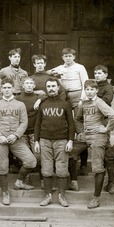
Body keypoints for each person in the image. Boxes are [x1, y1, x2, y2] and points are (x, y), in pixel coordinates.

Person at [0, 78, 37, 206]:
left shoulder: (20, 104)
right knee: (2, 166)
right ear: (1, 89)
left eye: (9, 87)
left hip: (16, 139)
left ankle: (19, 181)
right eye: (4, 88)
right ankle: (5, 193)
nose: (7, 90)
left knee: (31, 161)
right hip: (1, 139)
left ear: (13, 89)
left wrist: (16, 135)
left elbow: (24, 122)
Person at [75, 79, 114, 209]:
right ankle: (72, 183)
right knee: (70, 152)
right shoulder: (83, 103)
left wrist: (107, 129)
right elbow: (77, 119)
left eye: (91, 90)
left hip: (98, 137)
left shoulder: (99, 102)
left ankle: (96, 197)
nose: (89, 92)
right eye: (87, 89)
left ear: (96, 90)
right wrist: (80, 131)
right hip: (86, 136)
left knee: (97, 166)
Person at [34, 78, 75, 207]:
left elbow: (71, 124)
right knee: (46, 168)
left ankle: (61, 196)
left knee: (62, 168)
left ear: (58, 88)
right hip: (45, 140)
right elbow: (37, 124)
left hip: (62, 140)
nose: (51, 88)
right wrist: (36, 141)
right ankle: (48, 196)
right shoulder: (43, 103)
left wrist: (70, 141)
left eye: (53, 86)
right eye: (49, 86)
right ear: (46, 88)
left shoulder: (65, 104)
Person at [78, 64, 114, 177]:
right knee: (85, 144)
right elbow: (78, 118)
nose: (97, 75)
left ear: (106, 74)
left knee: (104, 150)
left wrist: (91, 99)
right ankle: (84, 166)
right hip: (91, 123)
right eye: (95, 73)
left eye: (99, 73)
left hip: (102, 121)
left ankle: (109, 180)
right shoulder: (93, 86)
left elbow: (107, 101)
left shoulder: (108, 87)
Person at [16, 77, 42, 187]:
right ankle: (24, 180)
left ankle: (43, 180)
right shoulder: (17, 98)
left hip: (34, 132)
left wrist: (40, 99)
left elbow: (49, 95)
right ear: (23, 85)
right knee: (25, 159)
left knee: (39, 157)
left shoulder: (38, 97)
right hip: (22, 133)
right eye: (27, 83)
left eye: (31, 83)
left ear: (34, 86)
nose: (29, 85)